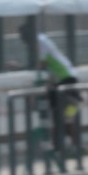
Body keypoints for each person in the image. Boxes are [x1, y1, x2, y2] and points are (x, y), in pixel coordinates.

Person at [20, 20, 83, 154]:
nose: (23, 42)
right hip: (60, 79)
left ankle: (71, 144)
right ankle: (63, 145)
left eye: (23, 38)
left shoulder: (40, 42)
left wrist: (21, 68)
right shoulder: (41, 40)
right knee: (60, 114)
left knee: (64, 113)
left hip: (64, 78)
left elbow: (41, 65)